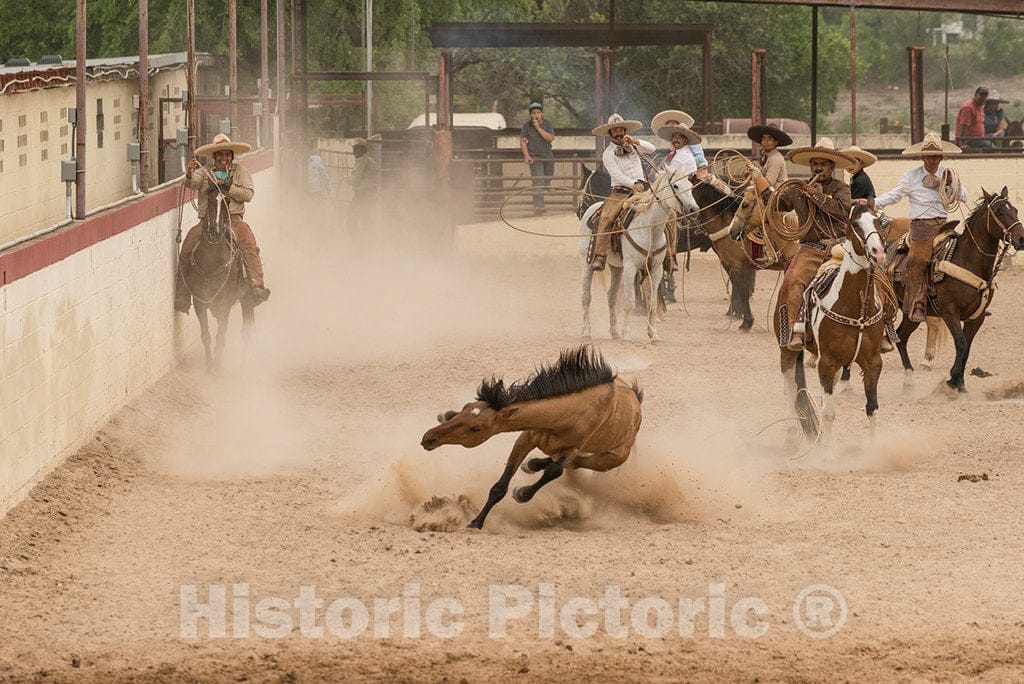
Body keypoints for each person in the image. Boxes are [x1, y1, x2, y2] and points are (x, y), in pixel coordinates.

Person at [857, 132, 967, 324]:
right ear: (922, 157)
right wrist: (872, 203)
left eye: (936, 156)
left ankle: (968, 300)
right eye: (929, 156)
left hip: (944, 225)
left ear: (941, 157)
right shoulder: (911, 177)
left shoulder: (948, 174)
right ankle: (917, 302)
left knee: (962, 253)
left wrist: (950, 185)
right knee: (918, 260)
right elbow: (894, 196)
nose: (932, 160)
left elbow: (963, 196)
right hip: (921, 227)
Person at [771, 138, 855, 352]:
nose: (818, 168)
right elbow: (777, 204)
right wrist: (760, 184)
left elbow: (841, 210)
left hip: (839, 245)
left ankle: (884, 330)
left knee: (872, 275)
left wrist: (815, 194)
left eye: (823, 164)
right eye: (815, 163)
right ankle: (793, 331)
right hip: (810, 248)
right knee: (791, 281)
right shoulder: (797, 189)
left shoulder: (841, 188)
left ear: (831, 166)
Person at [175, 133, 268, 314]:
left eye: (227, 155)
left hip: (233, 218)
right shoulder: (205, 172)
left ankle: (257, 286)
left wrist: (228, 188)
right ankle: (183, 294)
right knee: (187, 246)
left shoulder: (241, 172)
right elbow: (191, 183)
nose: (223, 158)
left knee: (249, 245)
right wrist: (188, 174)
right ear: (214, 156)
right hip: (207, 220)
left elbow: (248, 195)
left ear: (231, 156)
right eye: (220, 155)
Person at [590, 113, 655, 272]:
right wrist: (634, 184)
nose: (618, 132)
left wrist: (636, 141)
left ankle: (669, 254)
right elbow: (617, 175)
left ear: (625, 131)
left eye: (621, 129)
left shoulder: (633, 145)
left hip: (643, 190)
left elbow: (652, 149)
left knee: (667, 211)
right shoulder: (608, 154)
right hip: (620, 192)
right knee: (606, 216)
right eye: (615, 130)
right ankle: (600, 255)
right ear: (610, 133)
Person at [652, 112, 703, 301]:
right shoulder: (673, 155)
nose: (676, 140)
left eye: (680, 137)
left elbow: (672, 178)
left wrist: (658, 176)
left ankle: (671, 258)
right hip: (673, 193)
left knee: (669, 219)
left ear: (685, 139)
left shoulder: (684, 157)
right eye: (674, 137)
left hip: (683, 195)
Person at [520, 102, 556, 213]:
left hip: (548, 156)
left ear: (542, 114)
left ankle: (547, 184)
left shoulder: (547, 124)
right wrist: (526, 155)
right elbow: (522, 141)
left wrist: (538, 128)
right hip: (535, 157)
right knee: (538, 182)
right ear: (530, 115)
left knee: (547, 178)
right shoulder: (526, 126)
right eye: (533, 113)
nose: (536, 115)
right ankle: (539, 208)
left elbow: (550, 138)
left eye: (538, 112)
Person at [651, 109, 709, 178]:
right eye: (668, 125)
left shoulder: (690, 139)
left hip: (699, 169)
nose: (671, 126)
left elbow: (700, 158)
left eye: (672, 124)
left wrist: (684, 164)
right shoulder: (674, 144)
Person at [747, 124, 792, 188]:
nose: (765, 142)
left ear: (776, 142)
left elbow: (768, 183)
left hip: (777, 194)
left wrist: (756, 176)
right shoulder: (766, 156)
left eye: (769, 139)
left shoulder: (775, 158)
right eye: (763, 139)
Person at [348, 137, 379, 232]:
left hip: (363, 191)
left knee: (353, 215)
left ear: (362, 149)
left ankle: (354, 236)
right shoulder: (369, 160)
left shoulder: (363, 160)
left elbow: (356, 177)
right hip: (371, 191)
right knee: (367, 214)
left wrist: (348, 181)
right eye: (354, 148)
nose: (354, 151)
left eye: (356, 148)